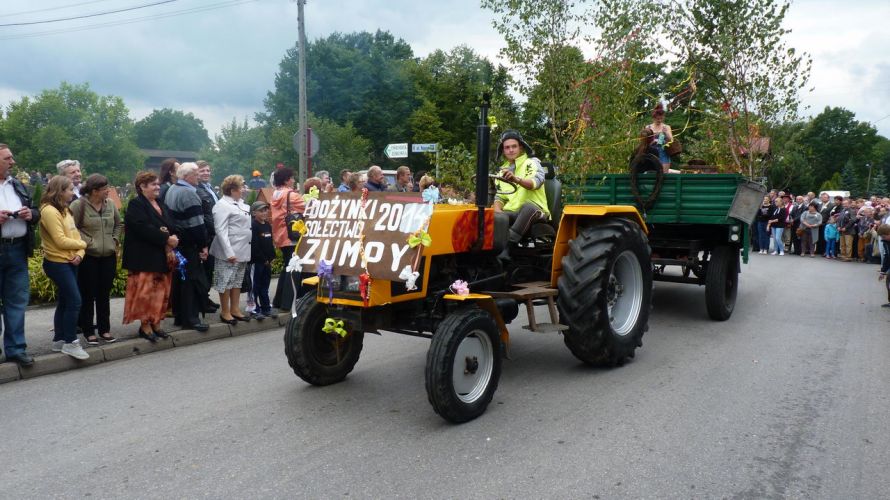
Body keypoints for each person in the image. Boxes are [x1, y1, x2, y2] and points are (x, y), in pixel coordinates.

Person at [122, 171, 178, 342]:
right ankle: (145, 326)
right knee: (145, 294)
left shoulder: (160, 203)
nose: (157, 187)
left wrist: (173, 237)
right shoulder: (136, 204)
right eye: (153, 184)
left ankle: (157, 324)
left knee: (161, 293)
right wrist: (165, 238)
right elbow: (142, 228)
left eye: (157, 184)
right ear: (142, 187)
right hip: (144, 257)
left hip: (162, 256)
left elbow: (170, 224)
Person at [39, 176, 89, 360]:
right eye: (69, 189)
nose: (72, 192)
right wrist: (83, 245)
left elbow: (74, 235)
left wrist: (80, 253)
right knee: (75, 301)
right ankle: (70, 342)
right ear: (60, 191)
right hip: (56, 263)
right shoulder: (49, 211)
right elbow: (60, 240)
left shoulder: (66, 210)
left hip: (70, 260)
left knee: (65, 301)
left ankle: (59, 339)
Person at [69, 174, 122, 344]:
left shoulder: (110, 204)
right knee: (88, 294)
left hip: (108, 256)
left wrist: (114, 239)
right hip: (88, 256)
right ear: (94, 191)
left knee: (103, 294)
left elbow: (118, 224)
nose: (108, 190)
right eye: (105, 188)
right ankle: (88, 331)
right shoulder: (78, 205)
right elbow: (72, 228)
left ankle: (104, 329)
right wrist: (88, 242)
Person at [0, 144, 39, 366]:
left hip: (17, 250)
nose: (12, 162)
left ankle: (15, 348)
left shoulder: (17, 185)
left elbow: (36, 212)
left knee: (16, 301)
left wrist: (29, 214)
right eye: (7, 158)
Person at [164, 162, 210, 332]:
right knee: (190, 281)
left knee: (179, 280)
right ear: (187, 176)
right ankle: (191, 319)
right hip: (189, 243)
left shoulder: (172, 189)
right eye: (196, 173)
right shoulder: (189, 193)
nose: (198, 176)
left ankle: (179, 316)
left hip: (178, 241)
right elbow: (197, 223)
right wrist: (203, 245)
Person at [493, 129, 550, 252]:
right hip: (512, 213)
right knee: (487, 214)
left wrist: (516, 179)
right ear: (503, 151)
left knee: (528, 208)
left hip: (535, 211)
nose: (511, 150)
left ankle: (508, 248)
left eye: (514, 146)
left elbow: (535, 183)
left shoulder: (532, 163)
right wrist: (497, 212)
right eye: (507, 147)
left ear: (521, 148)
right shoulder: (502, 172)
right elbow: (499, 197)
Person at [210, 175, 252, 325]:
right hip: (229, 251)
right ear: (233, 189)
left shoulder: (240, 203)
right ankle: (225, 311)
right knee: (225, 281)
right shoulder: (222, 205)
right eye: (242, 187)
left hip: (242, 249)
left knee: (237, 282)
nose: (245, 190)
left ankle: (235, 309)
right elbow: (220, 230)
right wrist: (229, 252)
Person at [270, 167, 306, 311]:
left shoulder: (275, 194)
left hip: (280, 234)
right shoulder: (292, 195)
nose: (293, 180)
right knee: (294, 269)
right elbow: (308, 208)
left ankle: (278, 300)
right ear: (286, 180)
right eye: (291, 178)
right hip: (292, 235)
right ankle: (287, 303)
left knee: (286, 267)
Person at [195, 160, 220, 313]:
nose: (206, 173)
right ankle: (201, 300)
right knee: (204, 270)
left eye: (207, 170)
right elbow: (205, 216)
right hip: (206, 234)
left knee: (209, 269)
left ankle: (205, 297)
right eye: (202, 170)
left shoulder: (209, 188)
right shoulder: (196, 190)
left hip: (213, 234)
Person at [250, 201, 275, 320]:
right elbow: (255, 246)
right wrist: (263, 259)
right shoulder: (253, 226)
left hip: (267, 262)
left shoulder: (267, 225)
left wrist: (271, 258)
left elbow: (270, 243)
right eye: (261, 211)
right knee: (255, 286)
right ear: (254, 213)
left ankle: (266, 308)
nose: (265, 212)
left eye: (266, 210)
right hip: (258, 262)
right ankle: (254, 309)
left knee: (265, 286)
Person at [645, 103, 676, 173]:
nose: (659, 120)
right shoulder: (648, 127)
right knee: (650, 175)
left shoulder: (666, 127)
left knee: (664, 175)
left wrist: (666, 133)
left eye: (661, 118)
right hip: (651, 154)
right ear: (653, 117)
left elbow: (671, 140)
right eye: (657, 119)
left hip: (663, 153)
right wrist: (652, 142)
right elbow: (644, 141)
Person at [877, 224, 890, 307]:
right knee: (888, 280)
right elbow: (887, 256)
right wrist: (883, 271)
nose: (882, 238)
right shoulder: (885, 242)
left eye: (884, 236)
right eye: (881, 236)